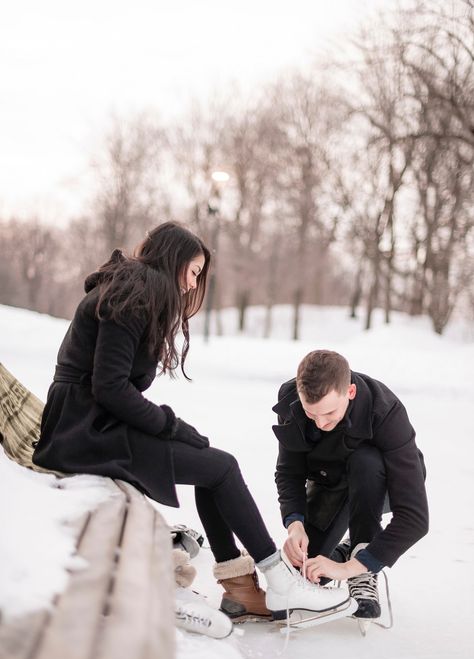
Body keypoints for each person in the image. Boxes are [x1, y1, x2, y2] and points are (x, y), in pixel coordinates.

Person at [32, 222, 351, 633]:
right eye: (194, 271)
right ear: (174, 260)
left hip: (88, 423)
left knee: (213, 465)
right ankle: (279, 583)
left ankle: (240, 587)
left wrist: (173, 429)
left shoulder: (132, 288)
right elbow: (109, 388)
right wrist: (171, 425)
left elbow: (111, 389)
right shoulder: (133, 293)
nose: (192, 283)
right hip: (84, 431)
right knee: (221, 467)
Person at [273, 349, 429, 619]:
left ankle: (361, 562)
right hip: (329, 482)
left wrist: (349, 569)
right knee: (308, 577)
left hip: (379, 483)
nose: (321, 423)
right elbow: (289, 470)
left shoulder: (387, 411)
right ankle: (344, 551)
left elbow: (415, 518)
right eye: (312, 414)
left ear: (351, 392)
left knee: (366, 461)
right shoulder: (292, 401)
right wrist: (294, 524)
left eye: (329, 413)